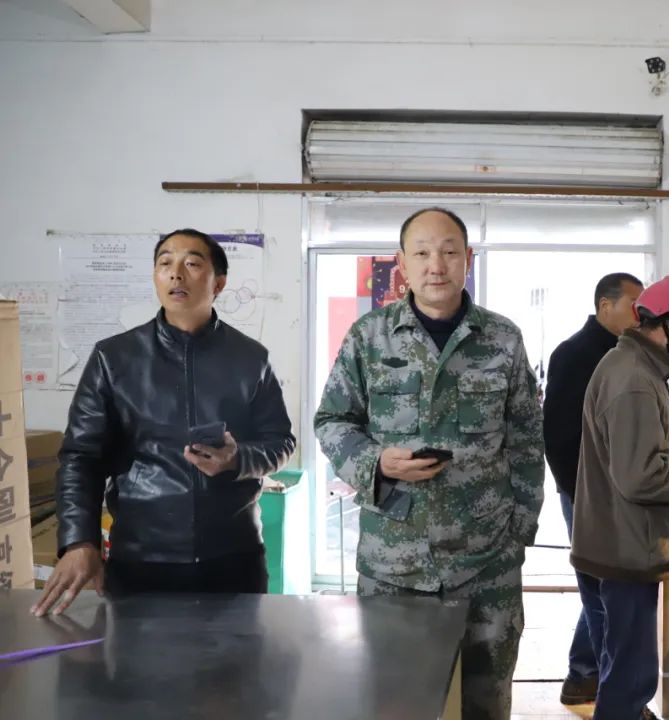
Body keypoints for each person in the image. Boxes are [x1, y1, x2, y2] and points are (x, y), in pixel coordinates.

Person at [314, 207, 544, 720]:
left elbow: (528, 438)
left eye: (448, 252)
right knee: (396, 702)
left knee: (486, 698)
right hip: (394, 563)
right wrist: (376, 462)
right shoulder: (369, 337)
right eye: (421, 253)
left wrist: (519, 532)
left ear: (468, 259)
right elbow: (331, 420)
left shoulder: (502, 339)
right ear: (402, 263)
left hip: (487, 561)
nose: (435, 265)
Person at [33, 229, 296, 617]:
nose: (176, 273)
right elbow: (80, 458)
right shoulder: (114, 358)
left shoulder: (250, 359)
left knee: (236, 657)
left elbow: (280, 442)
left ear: (219, 283)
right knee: (140, 658)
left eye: (192, 263)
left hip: (233, 557)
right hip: (142, 559)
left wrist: (238, 459)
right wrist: (79, 541)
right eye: (165, 263)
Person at [542, 272, 669, 705]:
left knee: (625, 668)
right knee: (632, 678)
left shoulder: (636, 368)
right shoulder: (633, 379)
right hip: (625, 545)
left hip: (622, 538)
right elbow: (642, 477)